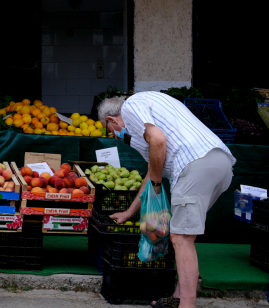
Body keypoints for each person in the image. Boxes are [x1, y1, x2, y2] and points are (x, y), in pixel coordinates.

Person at [98, 92, 236, 308]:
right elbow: (152, 170)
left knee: (181, 238)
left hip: (194, 165)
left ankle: (186, 304)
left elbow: (158, 140)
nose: (116, 136)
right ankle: (179, 297)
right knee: (184, 235)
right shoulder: (149, 108)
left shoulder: (131, 107)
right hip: (219, 164)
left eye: (112, 132)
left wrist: (155, 185)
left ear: (112, 120)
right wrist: (129, 212)